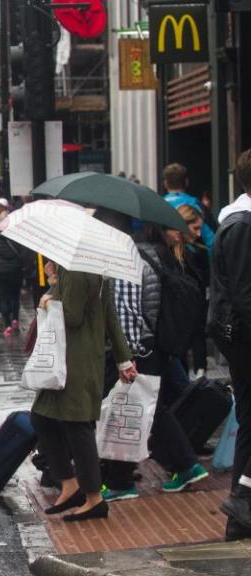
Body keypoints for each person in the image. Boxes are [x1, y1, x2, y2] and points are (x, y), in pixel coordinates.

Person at [95, 211, 208, 502]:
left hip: (139, 349)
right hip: (151, 346)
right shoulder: (144, 253)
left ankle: (182, 466)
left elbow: (129, 313)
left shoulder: (126, 259)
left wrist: (127, 356)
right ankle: (127, 478)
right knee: (137, 410)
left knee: (142, 411)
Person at [31, 262, 136, 522]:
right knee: (45, 416)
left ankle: (93, 498)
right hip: (82, 358)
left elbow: (72, 316)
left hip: (73, 359)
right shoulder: (96, 266)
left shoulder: (74, 269)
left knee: (77, 425)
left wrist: (49, 298)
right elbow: (110, 314)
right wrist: (124, 359)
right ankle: (71, 485)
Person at [213, 148, 251, 541]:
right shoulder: (242, 226)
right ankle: (240, 508)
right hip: (244, 340)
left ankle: (242, 511)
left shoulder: (236, 221)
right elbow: (244, 292)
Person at [176, 204, 211, 379]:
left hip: (196, 302)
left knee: (198, 334)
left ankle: (200, 369)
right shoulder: (175, 253)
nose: (198, 233)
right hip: (181, 310)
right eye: (195, 228)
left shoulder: (198, 246)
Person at [162, 163, 215, 257]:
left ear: (165, 184)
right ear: (186, 182)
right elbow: (211, 241)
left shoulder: (158, 205)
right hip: (193, 259)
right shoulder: (196, 206)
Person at [0, 221, 29, 336]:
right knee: (15, 296)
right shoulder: (17, 237)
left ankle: (7, 326)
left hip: (0, 272)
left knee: (3, 298)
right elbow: (23, 254)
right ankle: (15, 319)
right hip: (16, 271)